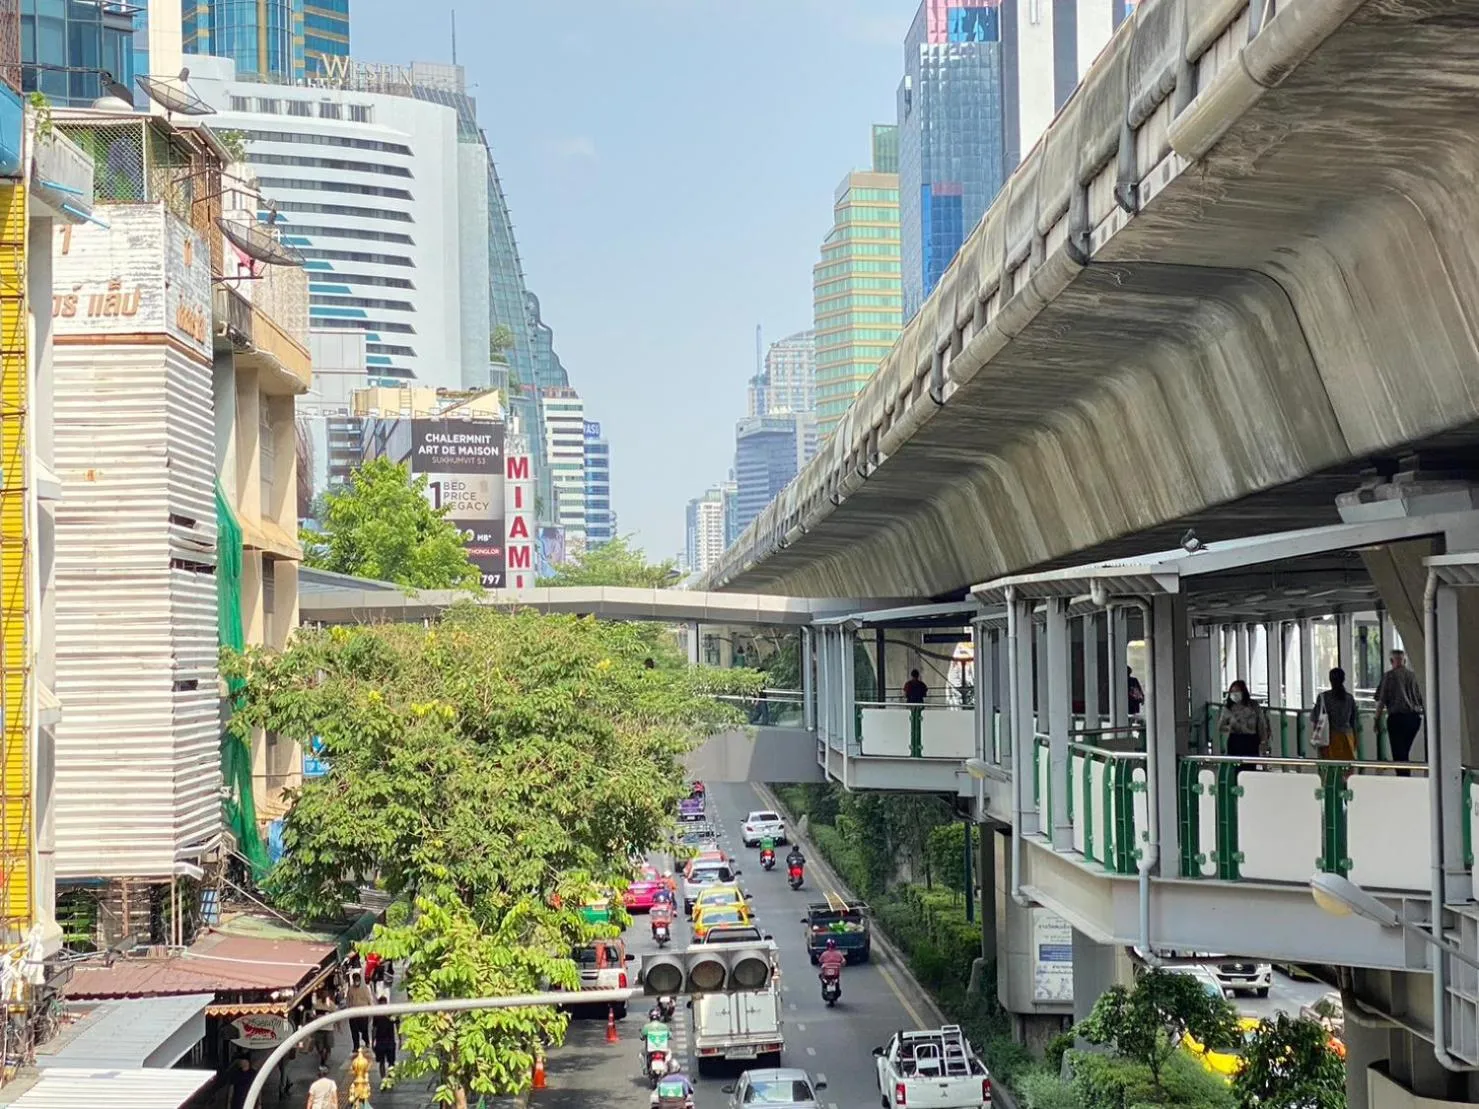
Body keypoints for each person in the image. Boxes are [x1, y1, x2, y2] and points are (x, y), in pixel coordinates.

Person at [1376, 648, 1424, 775]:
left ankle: (1403, 778)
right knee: (1404, 751)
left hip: (1396, 719)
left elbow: (1381, 700)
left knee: (1398, 753)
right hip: (1414, 719)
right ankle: (1405, 776)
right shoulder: (1414, 676)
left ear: (1391, 661)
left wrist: (1376, 720)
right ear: (1405, 660)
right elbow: (1421, 699)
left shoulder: (1389, 676)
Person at [1216, 679, 1270, 769]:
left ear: (1243, 691)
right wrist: (1231, 727)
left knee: (1250, 766)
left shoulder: (1253, 705)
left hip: (1251, 741)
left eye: (1237, 691)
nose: (1234, 694)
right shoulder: (1228, 707)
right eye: (1232, 692)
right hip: (1235, 740)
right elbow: (1220, 726)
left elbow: (1261, 723)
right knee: (1235, 768)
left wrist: (1263, 741)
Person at [1313, 667, 1359, 762]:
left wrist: (1316, 737)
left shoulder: (1323, 697)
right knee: (1346, 768)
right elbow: (1354, 721)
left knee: (1330, 768)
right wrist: (1355, 739)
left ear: (1330, 680)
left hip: (1328, 739)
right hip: (1347, 738)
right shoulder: (1349, 698)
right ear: (1343, 679)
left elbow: (1316, 719)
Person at [371, 996, 398, 1080]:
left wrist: (373, 1041)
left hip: (386, 1042)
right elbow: (374, 1029)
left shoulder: (389, 1013)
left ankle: (388, 1078)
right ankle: (384, 1079)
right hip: (383, 1042)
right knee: (384, 1062)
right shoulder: (379, 1015)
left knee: (390, 1062)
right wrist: (373, 1040)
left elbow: (397, 1023)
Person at [345, 972, 373, 1051]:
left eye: (358, 980)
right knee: (354, 1031)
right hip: (353, 1014)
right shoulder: (350, 989)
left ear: (360, 980)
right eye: (355, 980)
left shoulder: (365, 989)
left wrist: (371, 1010)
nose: (357, 981)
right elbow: (348, 1000)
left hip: (363, 1013)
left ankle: (366, 1040)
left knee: (364, 1029)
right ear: (353, 980)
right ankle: (356, 1046)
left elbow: (369, 1000)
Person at [311, 986, 337, 1066]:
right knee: (319, 1047)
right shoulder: (316, 1004)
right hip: (319, 1029)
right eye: (323, 994)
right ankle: (323, 1059)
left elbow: (336, 1015)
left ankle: (324, 1061)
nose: (324, 996)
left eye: (326, 994)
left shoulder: (331, 1005)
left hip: (328, 1029)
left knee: (328, 1046)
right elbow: (313, 1015)